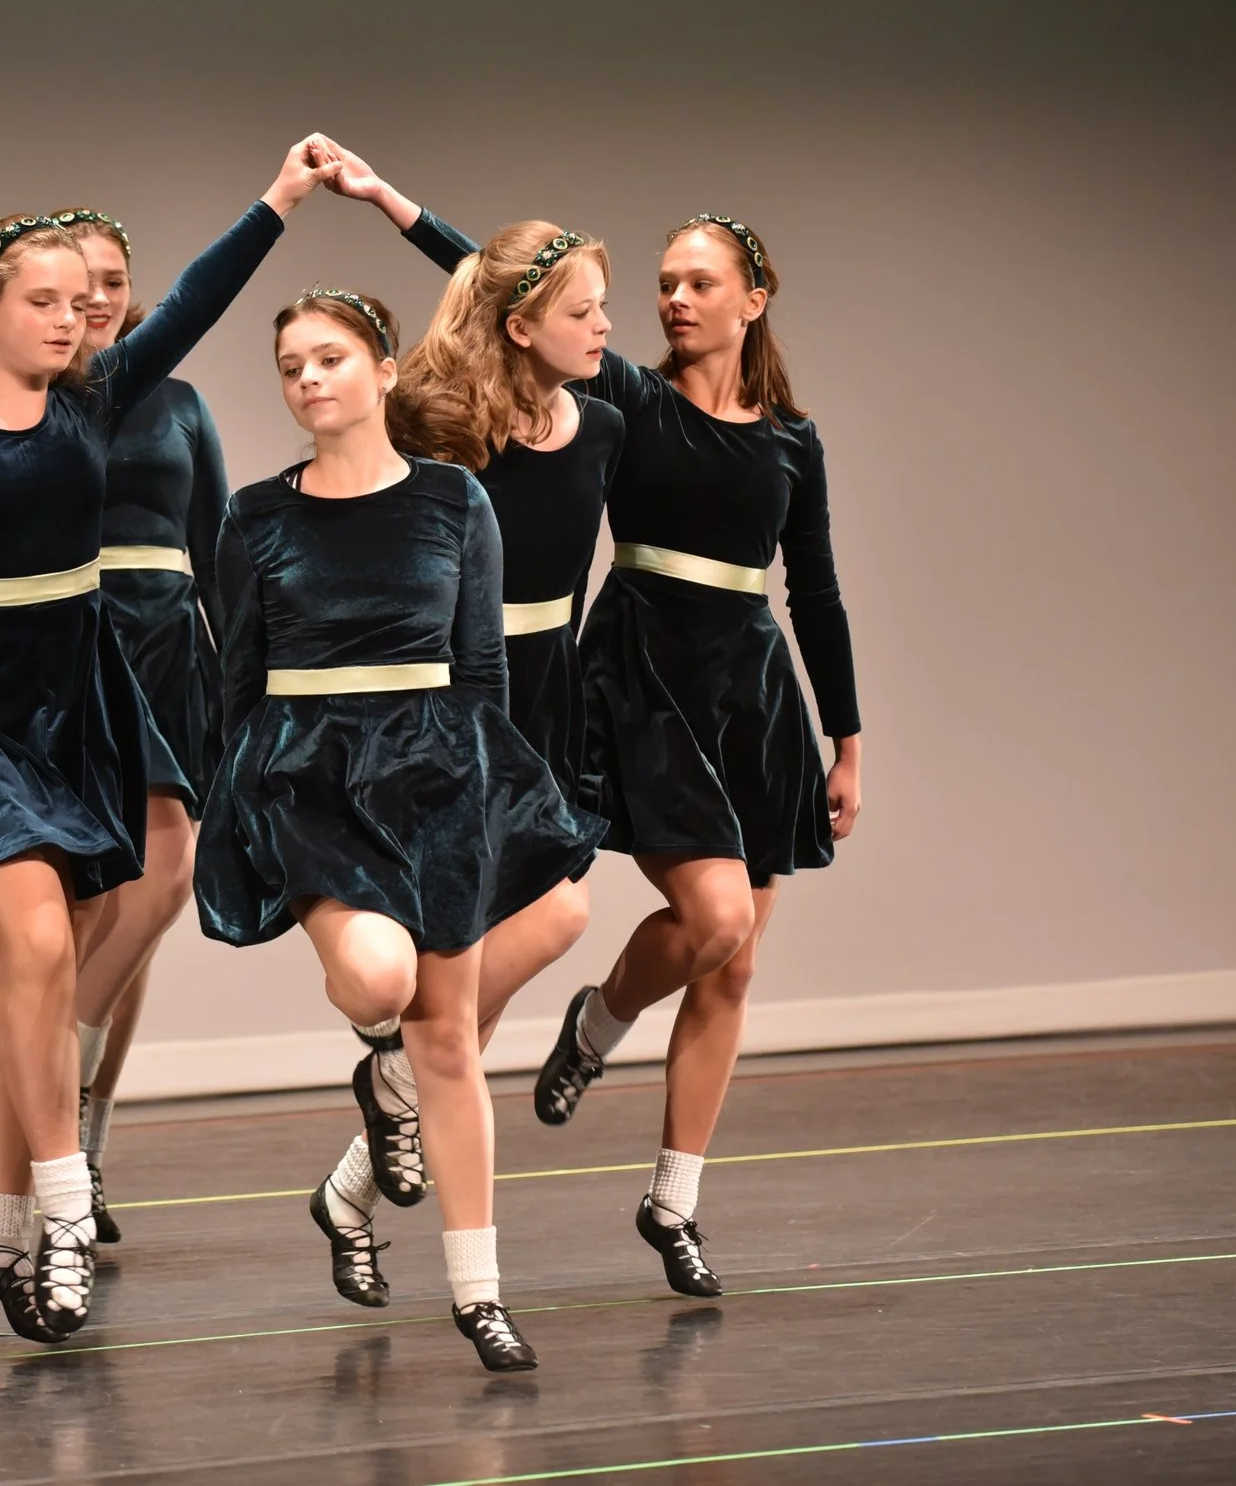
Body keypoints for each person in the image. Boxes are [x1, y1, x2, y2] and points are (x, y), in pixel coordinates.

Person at [0, 141, 335, 1342]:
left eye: (79, 302)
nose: (68, 316)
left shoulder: (95, 400)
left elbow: (195, 301)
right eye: (38, 301)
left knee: (41, 969)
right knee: (37, 944)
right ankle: (65, 1209)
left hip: (76, 699)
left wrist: (281, 199)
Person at [332, 146, 865, 1299]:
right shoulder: (626, 396)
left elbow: (812, 590)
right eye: (661, 282)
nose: (671, 300)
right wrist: (391, 203)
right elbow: (506, 285)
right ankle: (585, 1026)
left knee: (731, 957)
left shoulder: (791, 440)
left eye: (695, 282)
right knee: (700, 915)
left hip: (752, 692)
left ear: (754, 299)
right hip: (639, 675)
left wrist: (847, 739)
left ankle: (672, 1200)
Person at [196, 286, 600, 1371]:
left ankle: (479, 1295)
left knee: (449, 1040)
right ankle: (379, 1079)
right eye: (291, 366)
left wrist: (492, 792)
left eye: (330, 357)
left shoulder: (455, 502)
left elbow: (481, 668)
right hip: (310, 775)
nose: (310, 379)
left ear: (382, 369)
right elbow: (238, 681)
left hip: (436, 767)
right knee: (379, 983)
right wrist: (238, 802)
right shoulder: (254, 516)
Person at [299, 207, 625, 1306]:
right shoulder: (442, 422)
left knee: (511, 952)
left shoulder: (607, 420)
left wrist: (404, 207)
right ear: (524, 323)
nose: (605, 328)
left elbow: (509, 284)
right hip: (450, 703)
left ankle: (360, 1159)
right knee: (463, 974)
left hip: (548, 696)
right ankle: (390, 1132)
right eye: (584, 312)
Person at [52, 207, 229, 1244]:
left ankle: (82, 1148)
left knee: (152, 904)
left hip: (170, 650)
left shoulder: (182, 401)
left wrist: (242, 677)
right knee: (94, 916)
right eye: (78, 282)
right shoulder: (36, 403)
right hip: (75, 649)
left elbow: (215, 545)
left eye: (113, 278)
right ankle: (52, 1136)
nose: (99, 297)